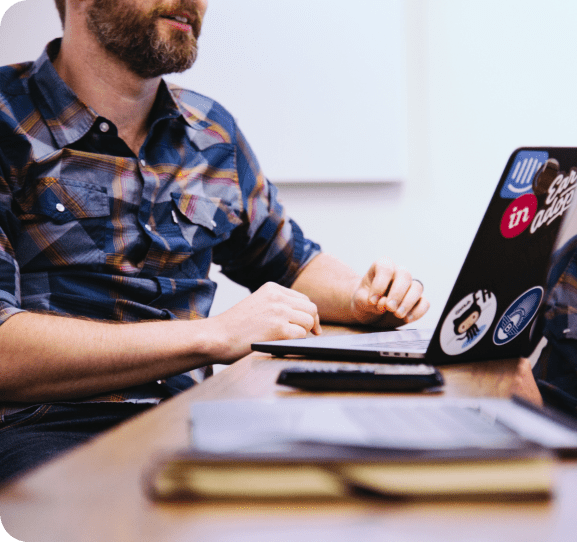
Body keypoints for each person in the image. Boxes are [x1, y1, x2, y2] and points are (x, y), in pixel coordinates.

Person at [0, 0, 430, 483]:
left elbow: (288, 262)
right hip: (47, 433)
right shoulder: (5, 118)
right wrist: (214, 336)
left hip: (195, 421)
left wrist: (362, 296)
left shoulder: (211, 132)